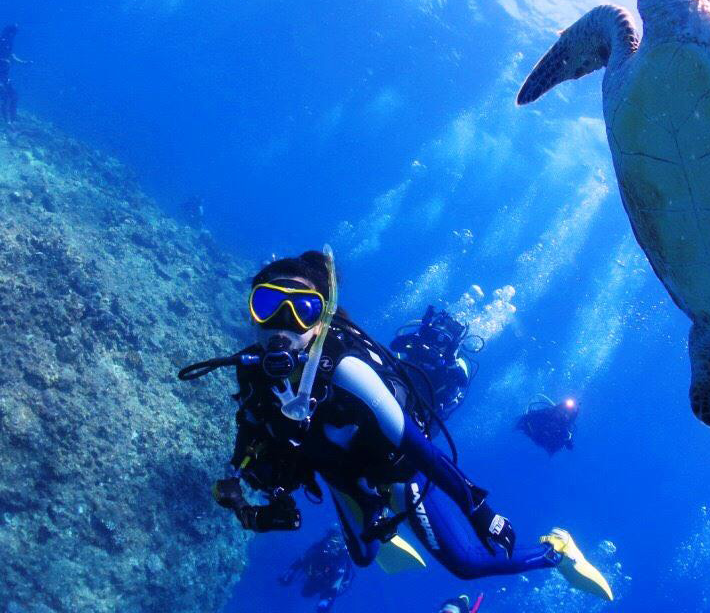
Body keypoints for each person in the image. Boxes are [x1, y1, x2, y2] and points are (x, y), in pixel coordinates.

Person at [178, 249, 612, 601]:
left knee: (469, 565)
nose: (282, 327)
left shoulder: (346, 370)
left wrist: (481, 511)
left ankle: (558, 551)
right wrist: (238, 477)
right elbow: (251, 427)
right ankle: (375, 516)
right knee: (364, 558)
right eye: (268, 305)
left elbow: (425, 450)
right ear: (252, 313)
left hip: (399, 472)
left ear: (321, 322)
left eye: (303, 310)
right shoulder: (253, 372)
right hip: (341, 474)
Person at [390, 305, 480, 421]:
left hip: (424, 409)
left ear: (455, 342)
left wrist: (450, 361)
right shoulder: (420, 342)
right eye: (435, 336)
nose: (439, 341)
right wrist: (418, 333)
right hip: (397, 384)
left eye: (445, 341)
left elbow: (463, 382)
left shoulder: (456, 360)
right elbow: (394, 346)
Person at [279, 526, 355, 612]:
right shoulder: (319, 550)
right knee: (317, 589)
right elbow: (302, 559)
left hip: (331, 576)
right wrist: (289, 573)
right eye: (333, 542)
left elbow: (336, 583)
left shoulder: (341, 560)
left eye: (337, 543)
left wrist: (326, 601)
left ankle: (324, 600)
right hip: (327, 575)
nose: (334, 547)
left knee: (329, 582)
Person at [1, 24, 30, 125]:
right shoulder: (2, 42)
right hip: (2, 76)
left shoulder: (8, 43)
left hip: (5, 75)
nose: (13, 36)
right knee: (6, 96)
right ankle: (7, 122)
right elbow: (7, 58)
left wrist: (23, 63)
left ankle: (12, 118)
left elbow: (11, 56)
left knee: (13, 96)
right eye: (13, 33)